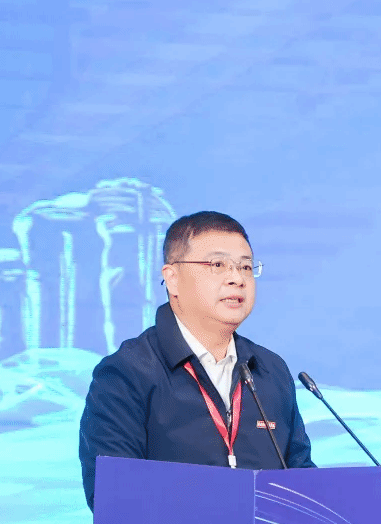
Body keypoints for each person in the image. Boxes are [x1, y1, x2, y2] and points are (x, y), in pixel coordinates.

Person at [78, 210, 315, 507]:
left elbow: (304, 483)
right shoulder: (128, 372)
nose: (237, 278)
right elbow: (113, 498)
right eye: (218, 265)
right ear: (173, 279)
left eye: (245, 267)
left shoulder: (270, 370)